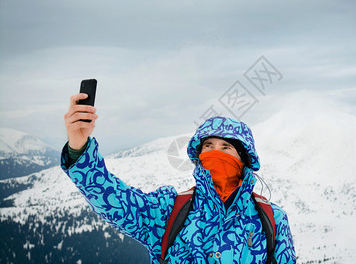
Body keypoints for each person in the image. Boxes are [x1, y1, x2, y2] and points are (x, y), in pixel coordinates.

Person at [62, 93, 297, 263]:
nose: (216, 153)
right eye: (209, 146)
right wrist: (78, 147)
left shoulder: (272, 220)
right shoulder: (170, 211)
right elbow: (117, 202)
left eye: (226, 147)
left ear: (244, 159)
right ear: (199, 155)